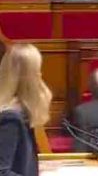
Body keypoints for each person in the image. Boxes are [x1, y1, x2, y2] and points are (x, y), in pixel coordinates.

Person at [0, 44, 52, 176]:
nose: (40, 75)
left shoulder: (22, 112)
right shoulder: (10, 118)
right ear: (29, 77)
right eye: (37, 70)